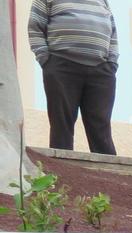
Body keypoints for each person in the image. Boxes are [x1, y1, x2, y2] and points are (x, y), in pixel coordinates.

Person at [28, 0, 119, 154]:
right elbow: (35, 27)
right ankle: (61, 173)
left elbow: (113, 31)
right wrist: (45, 59)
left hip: (101, 70)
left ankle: (110, 175)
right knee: (61, 124)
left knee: (101, 127)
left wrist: (112, 62)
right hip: (62, 67)